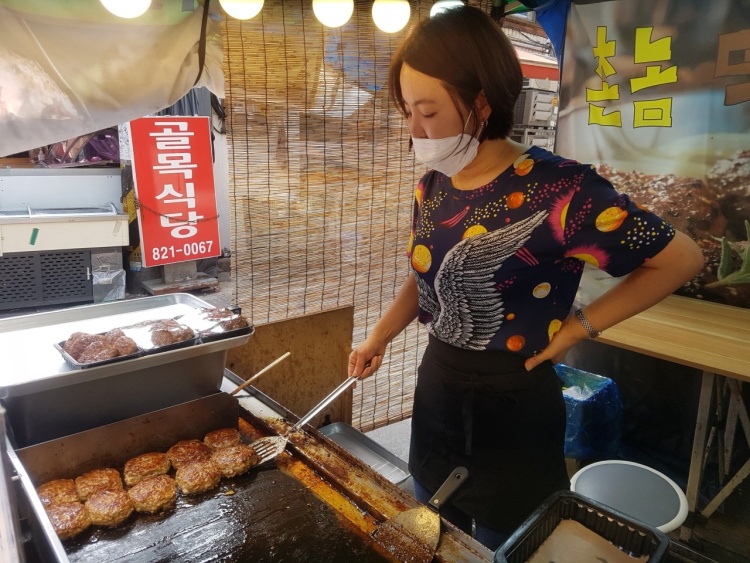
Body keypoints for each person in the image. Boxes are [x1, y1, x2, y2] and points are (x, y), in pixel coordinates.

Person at [348, 5, 704, 551]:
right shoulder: (435, 186)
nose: (414, 130)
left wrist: (579, 327)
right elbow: (428, 276)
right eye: (407, 111)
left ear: (481, 102)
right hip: (439, 385)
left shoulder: (562, 190)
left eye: (427, 112)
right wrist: (378, 336)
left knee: (506, 544)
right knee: (429, 536)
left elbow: (681, 259)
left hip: (515, 401)